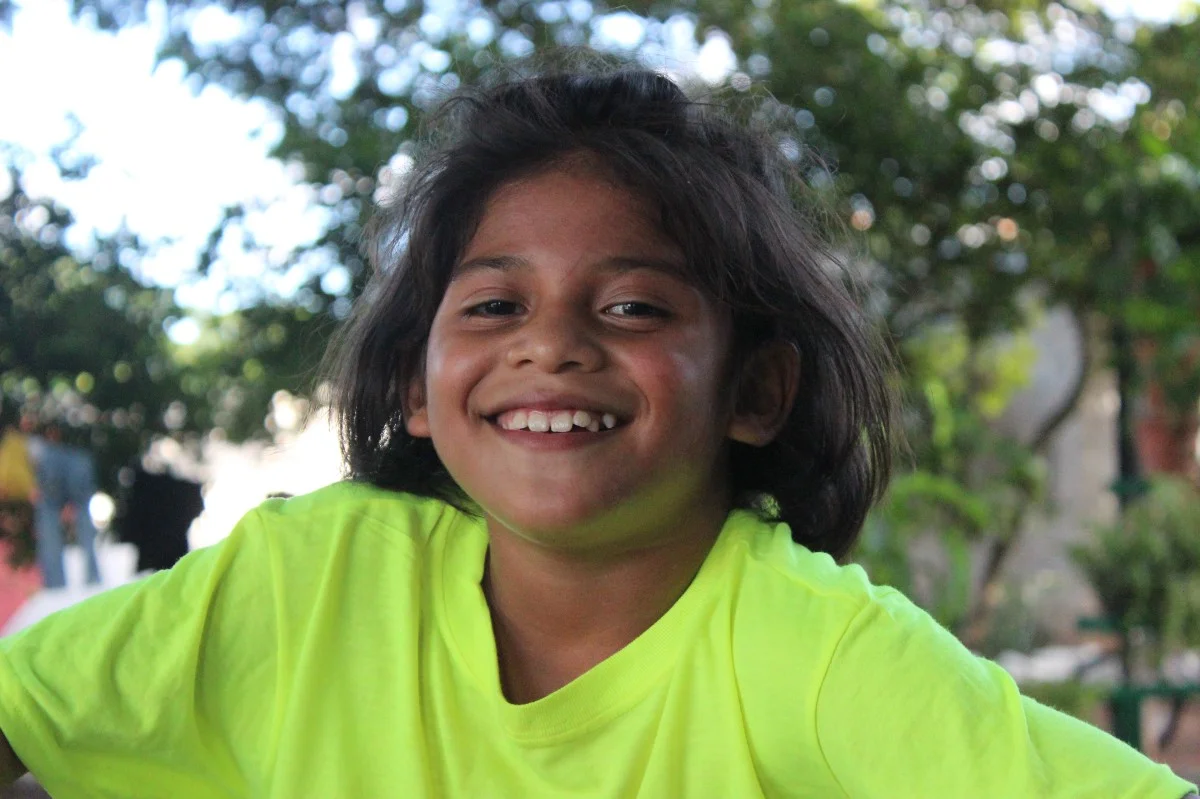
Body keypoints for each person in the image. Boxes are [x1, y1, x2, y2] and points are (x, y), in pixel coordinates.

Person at [0, 60, 1193, 799]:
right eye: (493, 305)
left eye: (631, 305)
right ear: (417, 385)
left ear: (755, 391)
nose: (552, 343)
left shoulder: (814, 653)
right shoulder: (310, 576)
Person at [26, 423, 101, 589]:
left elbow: (50, 486)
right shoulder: (78, 453)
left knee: (50, 534)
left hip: (59, 490)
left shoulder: (47, 454)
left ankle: (55, 583)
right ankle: (92, 577)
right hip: (77, 467)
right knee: (84, 532)